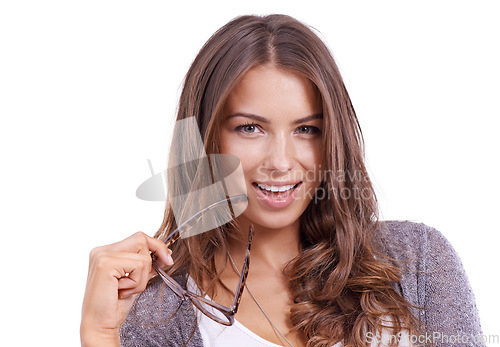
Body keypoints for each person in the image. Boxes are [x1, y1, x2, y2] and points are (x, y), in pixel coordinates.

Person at [80, 14, 483, 347]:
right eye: (251, 128)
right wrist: (100, 335)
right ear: (205, 137)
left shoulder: (417, 261)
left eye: (306, 130)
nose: (280, 162)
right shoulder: (155, 314)